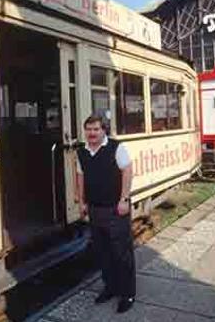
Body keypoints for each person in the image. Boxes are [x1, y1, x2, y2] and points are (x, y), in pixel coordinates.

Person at [76, 115, 135, 313]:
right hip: (95, 208)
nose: (91, 133)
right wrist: (81, 201)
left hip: (115, 208)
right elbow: (80, 176)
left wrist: (124, 199)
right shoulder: (81, 152)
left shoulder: (116, 148)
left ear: (104, 131)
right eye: (88, 129)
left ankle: (127, 293)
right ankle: (110, 287)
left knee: (121, 252)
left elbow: (127, 170)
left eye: (96, 129)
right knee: (103, 252)